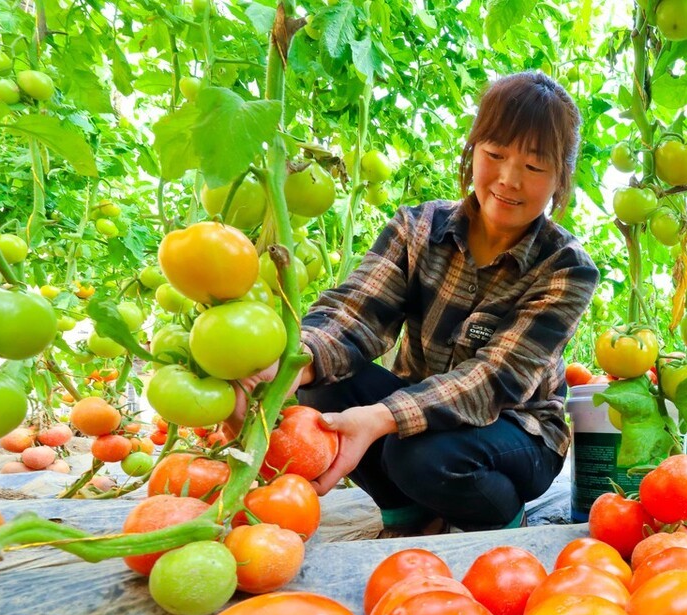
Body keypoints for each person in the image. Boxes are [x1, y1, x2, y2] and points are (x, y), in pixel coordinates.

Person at [237, 71, 599, 535]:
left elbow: (496, 379)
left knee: (417, 453)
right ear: (473, 152)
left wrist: (383, 416)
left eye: (533, 167)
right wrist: (291, 363)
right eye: (495, 154)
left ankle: (500, 516)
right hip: (424, 413)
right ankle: (409, 514)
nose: (509, 180)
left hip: (518, 433)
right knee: (324, 383)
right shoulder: (418, 228)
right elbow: (355, 313)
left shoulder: (566, 266)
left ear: (559, 179)